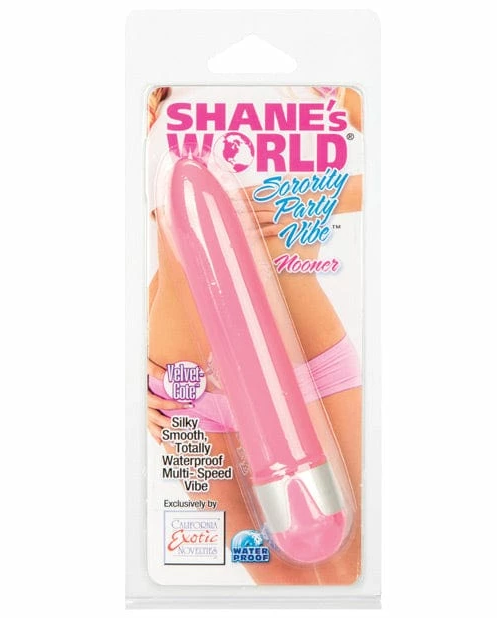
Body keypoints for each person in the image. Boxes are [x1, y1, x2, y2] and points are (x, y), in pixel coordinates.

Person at [147, 86, 363, 584]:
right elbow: (170, 249)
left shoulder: (332, 79)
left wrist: (309, 200)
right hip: (185, 392)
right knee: (279, 587)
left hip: (307, 377)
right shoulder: (149, 93)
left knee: (348, 574)